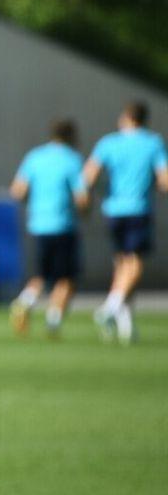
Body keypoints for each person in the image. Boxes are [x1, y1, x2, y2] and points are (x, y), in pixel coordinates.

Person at [83, 101, 168, 344]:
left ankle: (126, 326)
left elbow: (88, 176)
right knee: (135, 263)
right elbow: (164, 179)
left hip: (113, 209)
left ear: (127, 117)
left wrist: (98, 193)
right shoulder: (153, 143)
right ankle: (110, 308)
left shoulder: (109, 143)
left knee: (122, 265)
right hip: (138, 208)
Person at [8, 119, 89, 338]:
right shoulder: (73, 160)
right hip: (63, 225)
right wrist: (85, 213)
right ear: (72, 136)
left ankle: (23, 301)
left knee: (42, 274)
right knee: (66, 278)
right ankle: (53, 322)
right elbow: (82, 197)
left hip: (38, 224)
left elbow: (17, 191)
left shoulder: (35, 157)